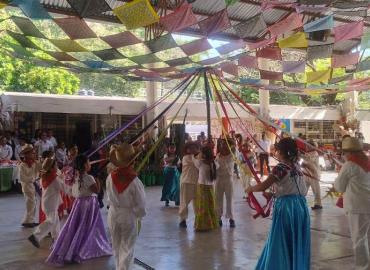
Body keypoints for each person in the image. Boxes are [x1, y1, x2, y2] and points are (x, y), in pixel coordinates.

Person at [246, 138, 310, 270]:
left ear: (281, 151)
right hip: (301, 206)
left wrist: (251, 188)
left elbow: (264, 185)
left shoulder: (280, 167)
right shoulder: (296, 166)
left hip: (287, 207)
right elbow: (292, 187)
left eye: (277, 150)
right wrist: (274, 194)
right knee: (295, 239)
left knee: (281, 239)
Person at [46, 154, 112, 266]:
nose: (90, 164)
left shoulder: (76, 177)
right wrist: (98, 182)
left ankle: (73, 245)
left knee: (77, 226)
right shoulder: (89, 178)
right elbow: (96, 191)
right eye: (88, 162)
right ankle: (84, 247)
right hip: (89, 204)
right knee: (88, 227)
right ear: (84, 165)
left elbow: (73, 192)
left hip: (78, 203)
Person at [106, 143, 146, 270]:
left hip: (112, 214)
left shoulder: (109, 177)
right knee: (127, 247)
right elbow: (141, 204)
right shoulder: (135, 181)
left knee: (116, 245)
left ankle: (119, 267)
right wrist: (139, 216)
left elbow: (108, 198)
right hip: (128, 215)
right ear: (132, 162)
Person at [333, 137, 370, 270]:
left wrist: (337, 179)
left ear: (348, 152)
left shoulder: (349, 165)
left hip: (357, 207)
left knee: (359, 239)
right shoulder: (368, 160)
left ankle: (363, 267)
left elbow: (339, 187)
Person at [28, 157, 64, 248]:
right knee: (51, 221)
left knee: (55, 223)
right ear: (51, 168)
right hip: (51, 204)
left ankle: (56, 240)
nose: (57, 166)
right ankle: (35, 236)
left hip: (47, 203)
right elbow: (64, 188)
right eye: (56, 165)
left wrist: (61, 176)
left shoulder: (45, 176)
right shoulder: (54, 178)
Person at [192, 145, 219, 231]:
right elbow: (218, 166)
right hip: (210, 187)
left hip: (202, 187)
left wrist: (196, 154)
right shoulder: (214, 163)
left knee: (202, 206)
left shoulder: (200, 163)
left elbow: (194, 159)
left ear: (203, 154)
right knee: (210, 205)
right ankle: (211, 224)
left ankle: (202, 226)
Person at [18, 144, 41, 228]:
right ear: (26, 154)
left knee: (33, 202)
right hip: (26, 186)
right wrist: (31, 179)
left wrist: (37, 161)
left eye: (33, 153)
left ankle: (29, 220)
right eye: (32, 153)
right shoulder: (22, 165)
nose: (33, 154)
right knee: (30, 203)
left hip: (33, 185)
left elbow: (40, 170)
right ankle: (28, 221)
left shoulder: (34, 163)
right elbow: (21, 177)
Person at [179, 142, 200, 228]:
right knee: (184, 202)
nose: (192, 149)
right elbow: (197, 164)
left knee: (197, 202)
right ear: (186, 150)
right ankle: (182, 219)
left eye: (194, 147)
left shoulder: (198, 157)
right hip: (187, 182)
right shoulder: (186, 158)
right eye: (190, 148)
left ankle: (198, 219)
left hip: (197, 182)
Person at [215, 139, 235, 228]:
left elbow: (235, 149)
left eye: (225, 144)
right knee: (218, 199)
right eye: (221, 144)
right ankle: (218, 218)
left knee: (229, 199)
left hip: (228, 179)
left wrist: (232, 142)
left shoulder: (232, 155)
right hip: (219, 179)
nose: (223, 146)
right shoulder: (218, 156)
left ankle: (231, 218)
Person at [302, 140, 322, 210]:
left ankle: (318, 204)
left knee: (316, 190)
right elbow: (305, 161)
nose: (306, 147)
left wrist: (304, 162)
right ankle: (301, 202)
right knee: (303, 189)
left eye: (308, 145)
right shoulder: (307, 153)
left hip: (313, 174)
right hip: (306, 174)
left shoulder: (315, 153)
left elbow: (310, 161)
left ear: (311, 146)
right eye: (306, 145)